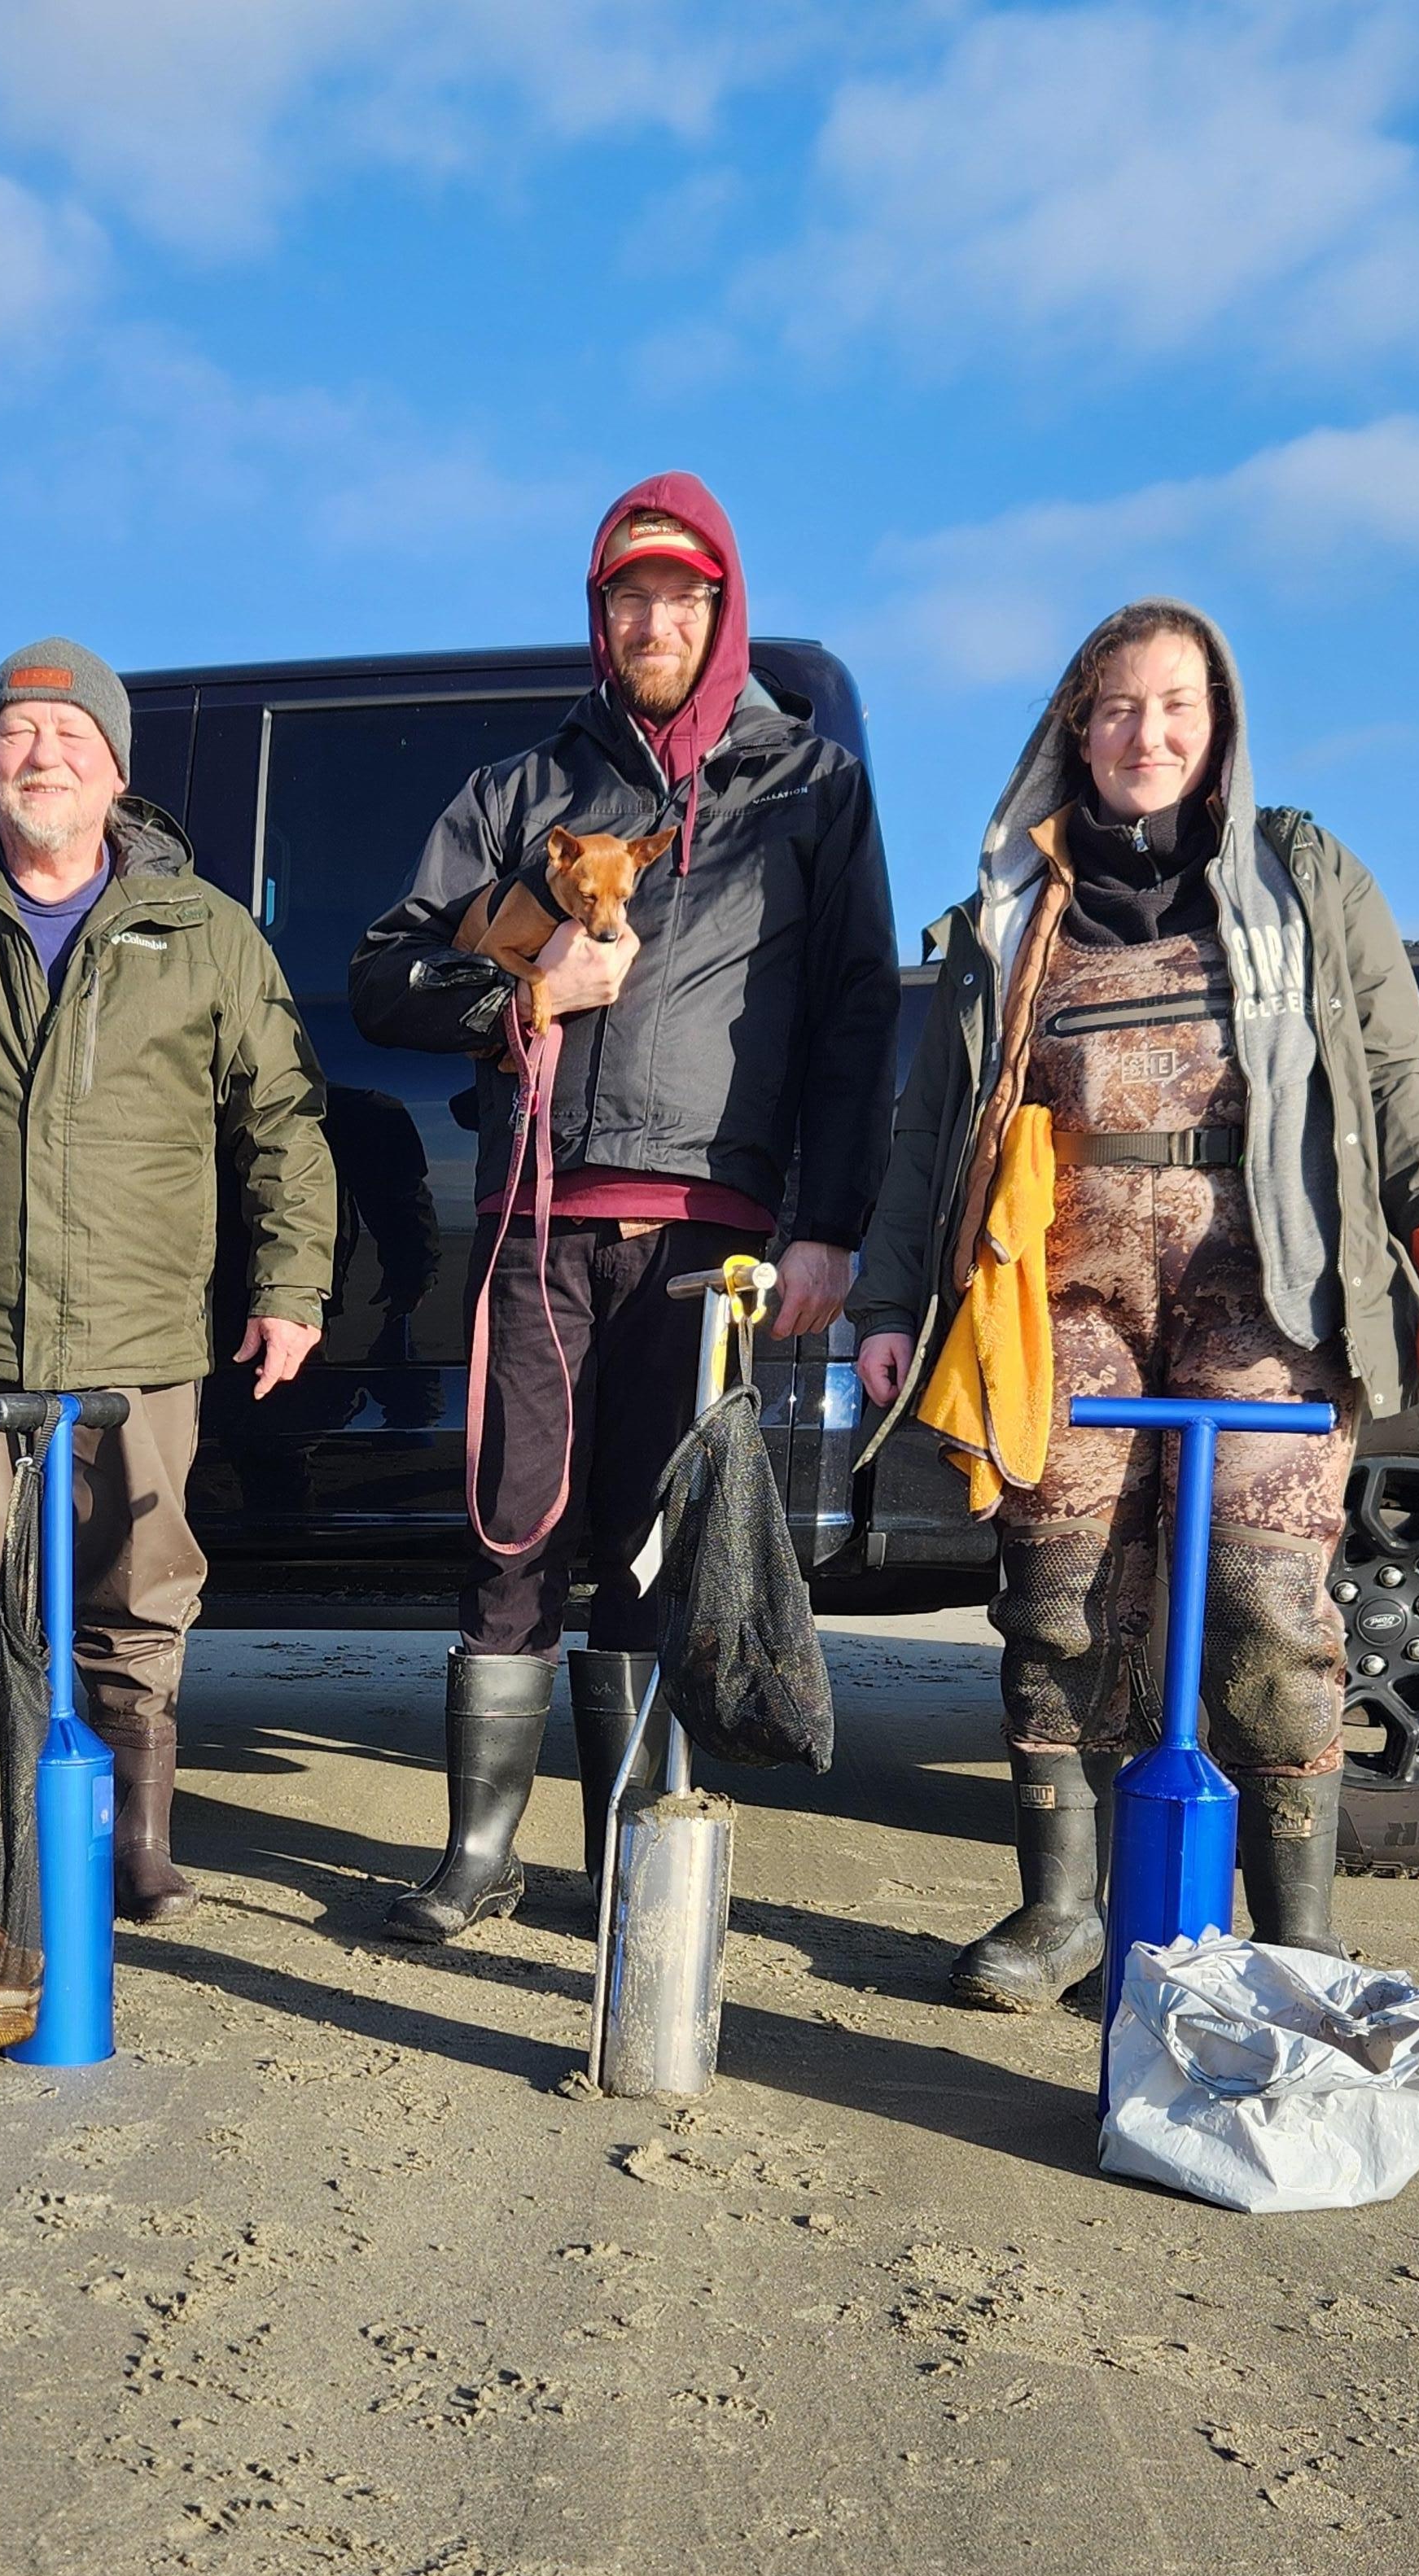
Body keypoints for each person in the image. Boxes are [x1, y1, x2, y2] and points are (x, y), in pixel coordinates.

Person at [849, 598, 1419, 2008]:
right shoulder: (1009, 909)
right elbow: (932, 1127)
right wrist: (892, 1298)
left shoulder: (1301, 872)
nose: (1143, 733)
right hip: (1064, 1287)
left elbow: (1393, 1080)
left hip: (1262, 1279)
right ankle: (1063, 1911)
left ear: (1217, 730)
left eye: (1175, 707)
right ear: (1075, 730)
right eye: (1114, 707)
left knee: (1272, 1600)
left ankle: (1297, 1932)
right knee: (1059, 1593)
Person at [349, 473, 900, 1941]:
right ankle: (479, 1853)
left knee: (654, 1544)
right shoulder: (520, 792)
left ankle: (627, 1865)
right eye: (626, 596)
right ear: (600, 616)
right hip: (539, 1216)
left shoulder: (813, 790)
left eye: (681, 594)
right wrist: (520, 990)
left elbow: (856, 1017)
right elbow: (381, 973)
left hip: (708, 1239)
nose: (653, 618)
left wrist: (829, 1222)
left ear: (724, 611)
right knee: (515, 1523)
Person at [0, 639, 337, 1922]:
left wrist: (291, 1287)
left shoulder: (204, 930)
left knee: (142, 1586)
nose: (41, 757)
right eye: (16, 736)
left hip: (142, 1327)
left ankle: (136, 1846)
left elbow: (282, 1123)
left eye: (70, 739)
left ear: (115, 775)